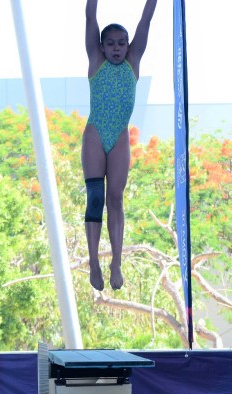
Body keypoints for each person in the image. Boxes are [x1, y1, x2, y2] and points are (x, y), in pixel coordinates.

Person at [82, 0, 157, 291]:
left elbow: (145, 21)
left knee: (116, 198)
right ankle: (93, 262)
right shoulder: (96, 61)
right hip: (95, 134)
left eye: (121, 43)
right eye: (110, 43)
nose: (116, 48)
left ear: (128, 47)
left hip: (120, 138)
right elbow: (90, 17)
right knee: (96, 198)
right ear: (101, 47)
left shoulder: (133, 63)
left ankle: (116, 262)